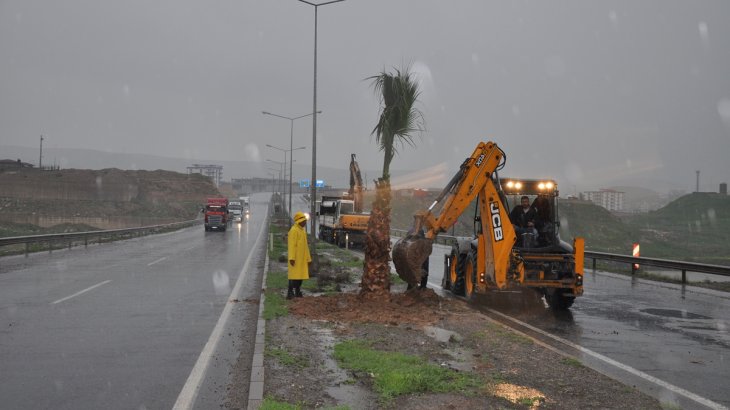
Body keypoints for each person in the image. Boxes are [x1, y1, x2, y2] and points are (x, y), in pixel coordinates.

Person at [287, 211, 312, 299]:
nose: (305, 222)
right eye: (303, 221)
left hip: (302, 259)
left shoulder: (302, 231)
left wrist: (308, 259)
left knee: (300, 277)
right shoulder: (293, 231)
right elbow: (291, 246)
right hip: (295, 259)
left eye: (305, 221)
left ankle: (297, 291)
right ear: (299, 221)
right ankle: (290, 293)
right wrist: (291, 258)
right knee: (294, 276)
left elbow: (306, 246)